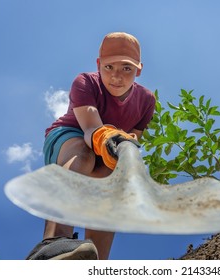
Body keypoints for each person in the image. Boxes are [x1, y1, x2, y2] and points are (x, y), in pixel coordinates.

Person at [26, 32, 156, 260]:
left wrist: (126, 155)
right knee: (84, 155)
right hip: (71, 137)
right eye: (109, 67)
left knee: (113, 179)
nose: (116, 76)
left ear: (139, 69)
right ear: (98, 64)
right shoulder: (85, 82)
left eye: (126, 68)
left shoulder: (146, 101)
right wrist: (108, 138)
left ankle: (94, 261)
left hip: (108, 146)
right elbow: (90, 129)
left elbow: (134, 139)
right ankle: (53, 244)